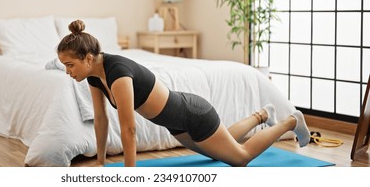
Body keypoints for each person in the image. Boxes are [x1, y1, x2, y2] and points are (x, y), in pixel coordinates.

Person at [57, 19, 311, 167]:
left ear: (88, 58)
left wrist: (130, 177)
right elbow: (101, 119)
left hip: (193, 115)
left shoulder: (118, 73)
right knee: (219, 150)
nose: (68, 72)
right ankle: (261, 115)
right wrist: (101, 162)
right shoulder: (95, 76)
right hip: (178, 126)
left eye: (70, 65)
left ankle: (291, 121)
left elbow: (129, 129)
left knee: (240, 158)